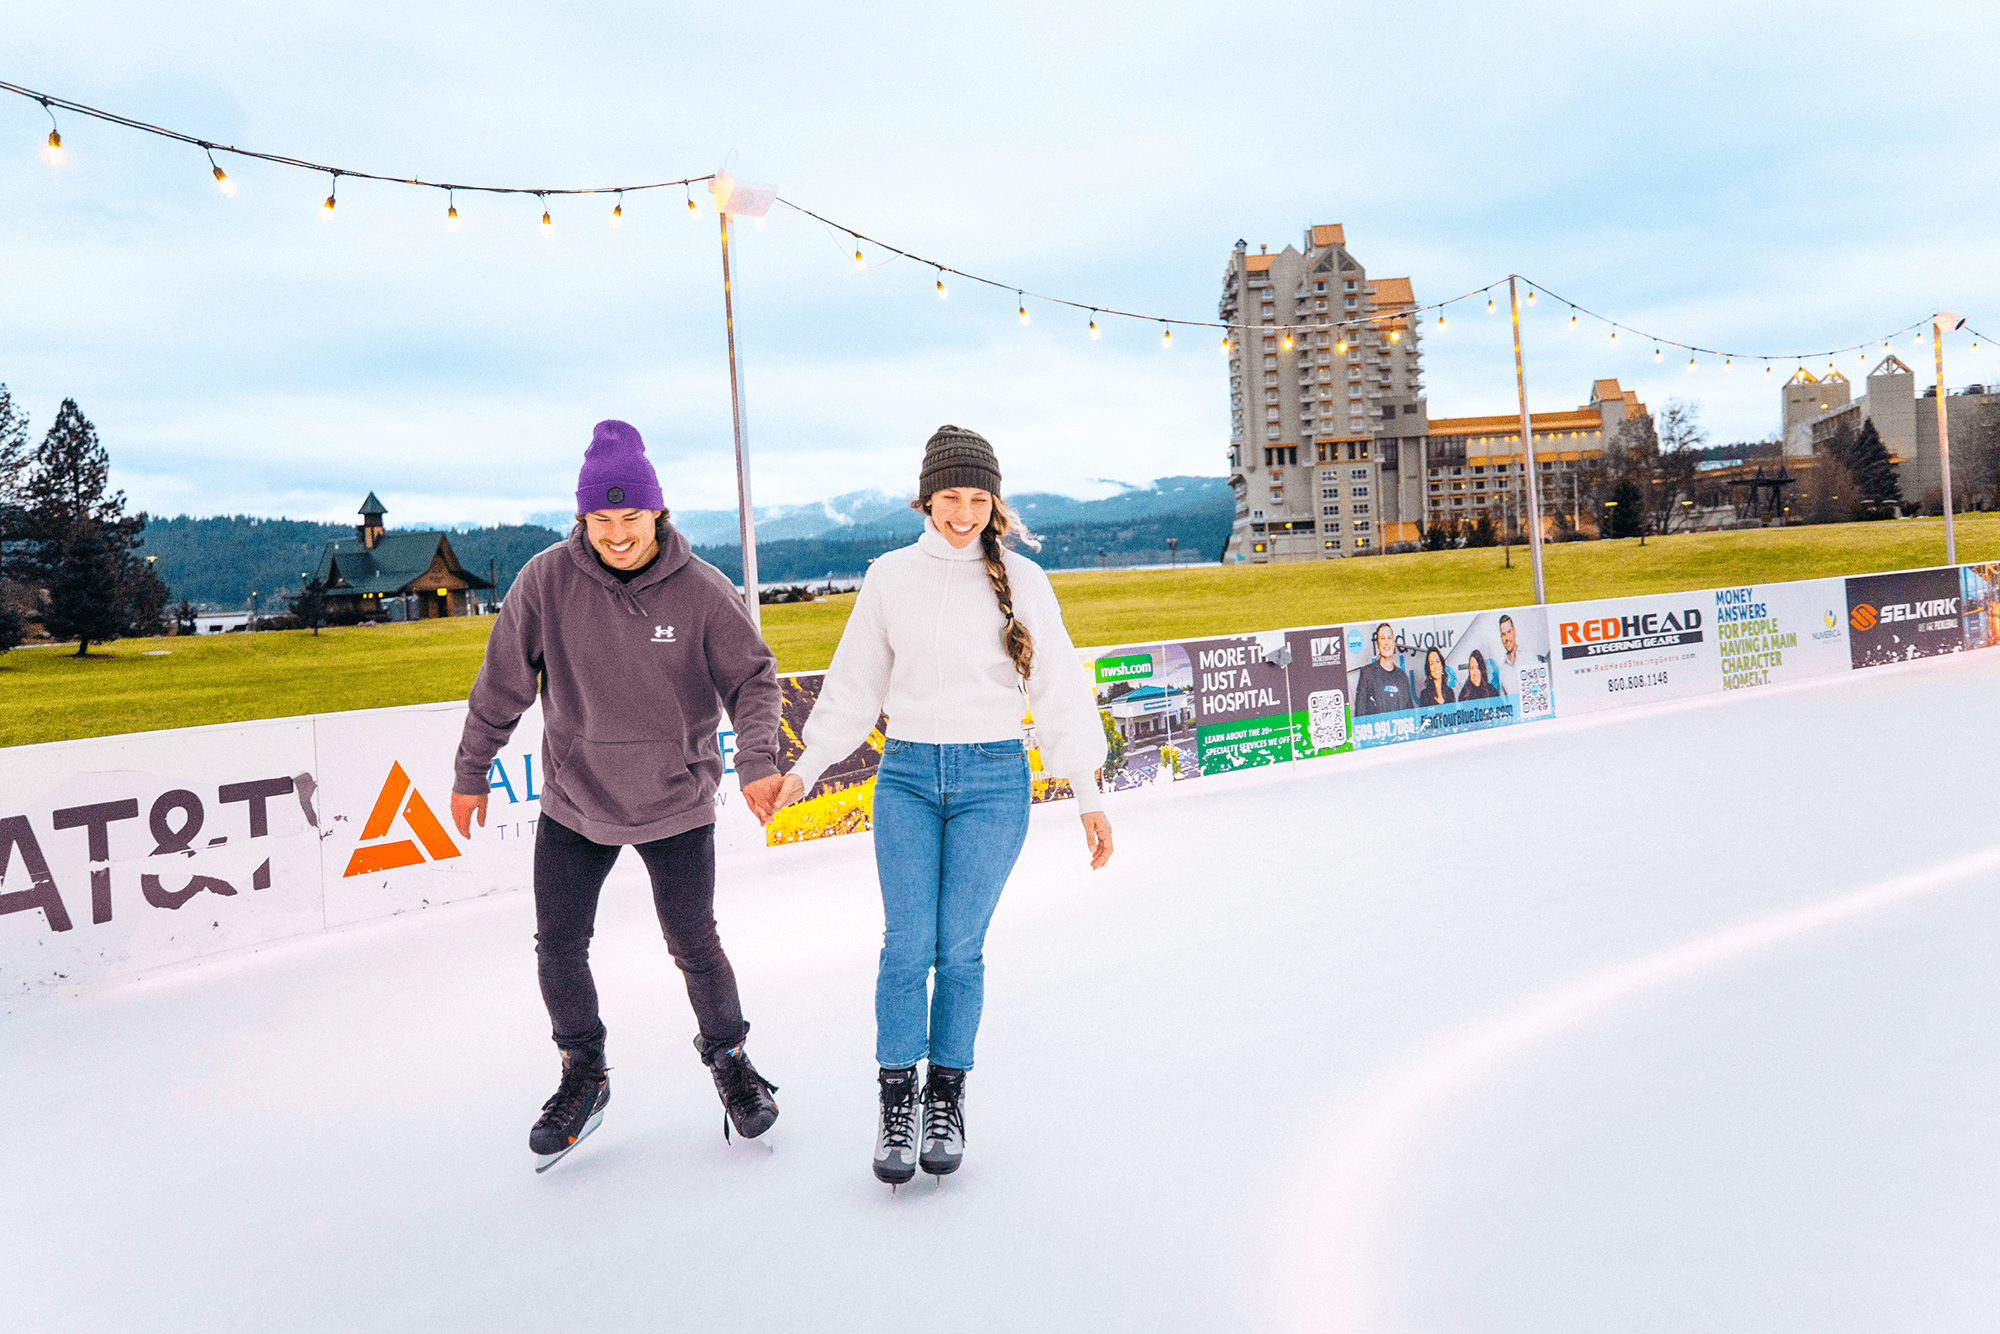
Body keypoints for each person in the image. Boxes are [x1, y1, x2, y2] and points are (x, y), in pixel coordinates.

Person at [770, 425, 1113, 1185]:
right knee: (906, 945)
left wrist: (1087, 791)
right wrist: (808, 766)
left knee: (959, 949)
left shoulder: (1025, 580)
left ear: (996, 502)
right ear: (925, 498)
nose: (963, 513)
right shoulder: (890, 576)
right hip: (909, 779)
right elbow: (853, 684)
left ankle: (945, 1098)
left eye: (977, 498)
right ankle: (897, 1099)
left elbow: (1058, 687)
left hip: (995, 780)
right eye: (949, 497)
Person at [449, 419, 789, 1171]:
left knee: (694, 943)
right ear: (582, 519)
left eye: (630, 518)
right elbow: (501, 684)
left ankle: (731, 1062)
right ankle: (583, 1073)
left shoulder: (703, 591)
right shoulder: (545, 581)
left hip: (675, 800)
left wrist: (756, 759)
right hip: (575, 800)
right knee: (559, 946)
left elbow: (752, 679)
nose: (617, 534)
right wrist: (472, 771)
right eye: (600, 520)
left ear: (657, 514)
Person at [1352, 622, 1414, 716]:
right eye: (1382, 639)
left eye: (1389, 638)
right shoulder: (1367, 674)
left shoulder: (1403, 677)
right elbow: (1360, 714)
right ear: (1377, 644)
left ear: (1394, 643)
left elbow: (1410, 714)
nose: (1386, 643)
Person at [1492, 614, 1522, 698]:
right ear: (1501, 638)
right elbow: (1505, 703)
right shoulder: (1502, 671)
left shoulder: (1529, 657)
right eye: (1503, 634)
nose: (1507, 638)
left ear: (1514, 632)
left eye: (1509, 632)